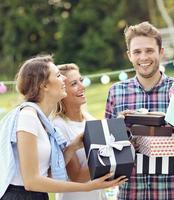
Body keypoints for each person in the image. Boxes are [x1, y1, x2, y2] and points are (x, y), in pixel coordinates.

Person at [105, 21, 174, 200]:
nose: (143, 57)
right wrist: (117, 129)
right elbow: (106, 141)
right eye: (137, 52)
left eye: (149, 50)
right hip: (131, 193)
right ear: (129, 55)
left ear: (161, 52)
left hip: (173, 192)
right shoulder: (116, 91)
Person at [0, 55, 127, 200]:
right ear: (44, 85)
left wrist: (72, 147)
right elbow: (31, 181)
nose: (64, 80)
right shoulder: (28, 117)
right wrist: (87, 187)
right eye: (59, 75)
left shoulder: (42, 120)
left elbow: (46, 173)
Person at [52, 63, 107, 200]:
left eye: (81, 81)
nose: (82, 87)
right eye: (74, 84)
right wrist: (112, 159)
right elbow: (77, 176)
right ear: (62, 90)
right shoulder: (59, 126)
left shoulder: (90, 119)